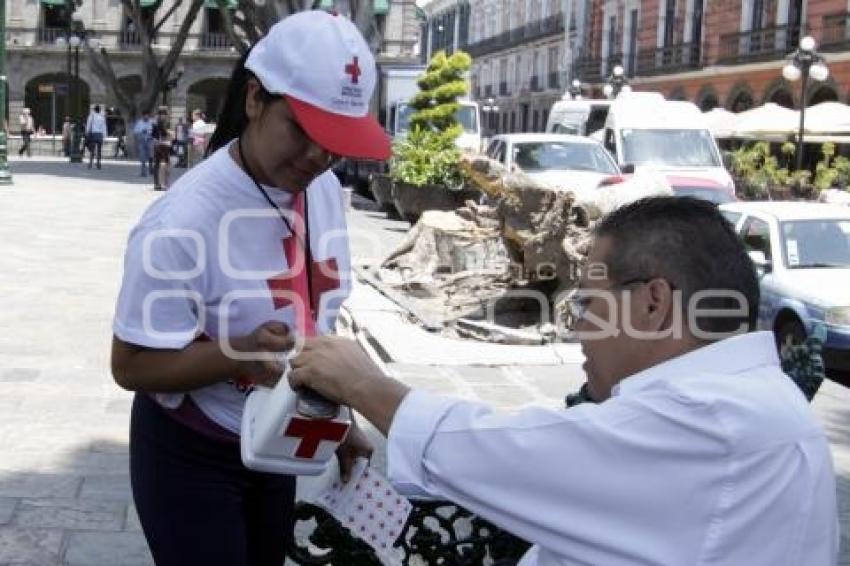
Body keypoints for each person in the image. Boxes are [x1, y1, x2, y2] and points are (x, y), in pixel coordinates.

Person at [288, 196, 839, 566]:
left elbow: (507, 454)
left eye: (589, 307)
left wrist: (364, 384)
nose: (579, 334)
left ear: (653, 302)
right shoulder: (756, 403)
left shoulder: (717, 421)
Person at [110, 11, 391, 566]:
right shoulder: (181, 222)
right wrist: (234, 354)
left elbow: (316, 324)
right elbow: (132, 366)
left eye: (335, 142)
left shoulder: (326, 191)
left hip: (278, 444)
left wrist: (339, 423)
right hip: (191, 458)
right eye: (305, 133)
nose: (318, 158)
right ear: (256, 99)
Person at [151, 107, 171, 190]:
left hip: (156, 145)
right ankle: (165, 184)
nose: (166, 116)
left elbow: (152, 135)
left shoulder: (154, 122)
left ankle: (157, 184)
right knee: (166, 163)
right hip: (163, 145)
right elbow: (164, 133)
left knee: (157, 164)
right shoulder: (161, 122)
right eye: (165, 114)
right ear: (162, 114)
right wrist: (169, 133)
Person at [85, 104, 107, 169]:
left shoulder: (91, 116)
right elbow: (104, 127)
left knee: (92, 149)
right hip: (100, 134)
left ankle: (90, 163)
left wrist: (87, 132)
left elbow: (88, 125)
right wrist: (104, 136)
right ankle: (98, 164)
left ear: (94, 110)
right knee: (99, 150)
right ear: (99, 110)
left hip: (93, 134)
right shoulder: (102, 117)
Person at [132, 111, 154, 176]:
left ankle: (150, 167)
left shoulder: (152, 122)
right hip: (142, 141)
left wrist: (149, 131)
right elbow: (135, 131)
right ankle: (143, 171)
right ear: (143, 116)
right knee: (142, 156)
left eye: (147, 116)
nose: (146, 117)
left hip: (150, 140)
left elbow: (155, 130)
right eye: (145, 116)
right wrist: (141, 131)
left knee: (151, 155)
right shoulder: (139, 123)